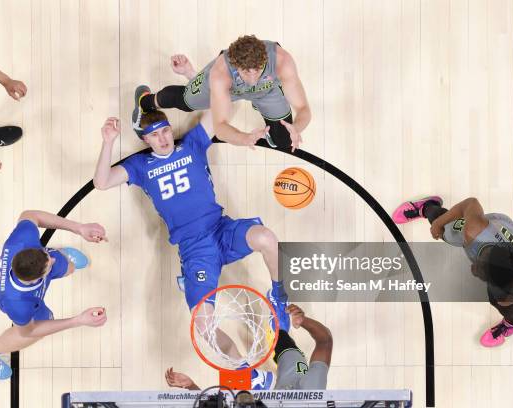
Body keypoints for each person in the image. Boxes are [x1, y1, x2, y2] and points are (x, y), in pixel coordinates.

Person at [93, 104, 288, 361]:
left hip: (221, 229)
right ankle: (247, 375)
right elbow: (102, 182)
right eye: (154, 135)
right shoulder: (140, 166)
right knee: (204, 327)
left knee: (267, 238)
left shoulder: (192, 143)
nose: (162, 139)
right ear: (145, 139)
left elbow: (218, 107)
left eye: (164, 131)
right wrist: (108, 142)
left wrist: (189, 76)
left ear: (170, 129)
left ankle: (278, 297)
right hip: (195, 249)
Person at [0, 210, 108, 379]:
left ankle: (53, 256)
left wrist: (79, 228)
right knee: (40, 328)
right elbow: (27, 332)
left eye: (46, 255)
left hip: (30, 272)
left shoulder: (21, 240)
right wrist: (78, 320)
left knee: (67, 266)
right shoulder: (19, 305)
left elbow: (30, 215)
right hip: (18, 300)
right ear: (36, 280)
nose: (52, 260)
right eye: (49, 263)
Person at [131, 35, 310, 152]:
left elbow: (303, 109)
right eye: (246, 72)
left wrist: (296, 129)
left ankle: (259, 103)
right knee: (186, 101)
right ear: (234, 63)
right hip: (229, 87)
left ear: (265, 59)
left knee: (285, 141)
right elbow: (220, 127)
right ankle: (146, 101)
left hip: (266, 90)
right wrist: (244, 138)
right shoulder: (220, 72)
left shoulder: (282, 61)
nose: (253, 77)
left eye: (258, 70)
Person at [393, 196, 513, 347]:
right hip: (495, 225)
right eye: (478, 269)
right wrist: (438, 223)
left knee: (499, 301)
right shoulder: (474, 229)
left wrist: (505, 298)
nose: (472, 270)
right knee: (445, 228)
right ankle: (427, 207)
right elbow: (471, 203)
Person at [164, 304, 333, 390]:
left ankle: (206, 327)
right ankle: (280, 328)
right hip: (294, 379)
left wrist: (191, 386)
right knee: (284, 343)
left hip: (267, 397)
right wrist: (303, 321)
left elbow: (211, 405)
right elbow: (325, 341)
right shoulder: (313, 388)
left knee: (232, 359)